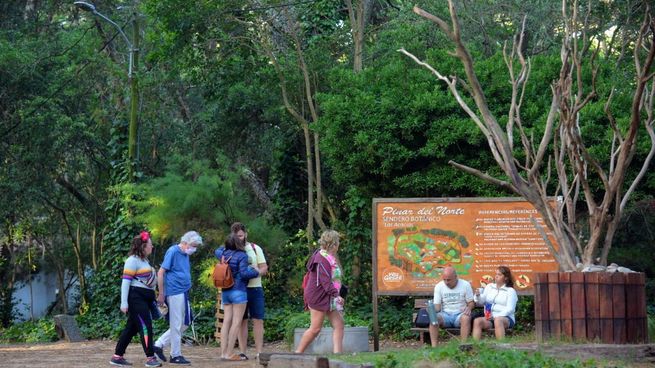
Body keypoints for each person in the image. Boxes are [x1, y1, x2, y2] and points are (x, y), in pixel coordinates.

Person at [110, 231, 162, 367]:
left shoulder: (144, 261)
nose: (152, 247)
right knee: (146, 326)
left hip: (145, 299)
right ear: (143, 247)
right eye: (150, 245)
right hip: (135, 298)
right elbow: (125, 283)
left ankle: (117, 356)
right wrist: (124, 302)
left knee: (131, 328)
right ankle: (151, 358)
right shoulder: (132, 260)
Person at [152, 231, 203, 365]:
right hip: (174, 291)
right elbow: (161, 272)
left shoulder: (185, 253)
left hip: (183, 291)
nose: (194, 248)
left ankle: (159, 344)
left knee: (185, 322)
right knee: (176, 323)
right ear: (185, 242)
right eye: (193, 245)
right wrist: (161, 294)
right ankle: (175, 355)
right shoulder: (173, 251)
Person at [295, 230, 345, 354]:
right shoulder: (321, 259)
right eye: (338, 242)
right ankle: (297, 354)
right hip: (318, 297)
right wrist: (337, 295)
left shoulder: (328, 257)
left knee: (339, 325)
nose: (338, 245)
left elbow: (333, 279)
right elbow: (325, 282)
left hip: (329, 297)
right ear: (333, 245)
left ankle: (338, 355)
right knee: (315, 329)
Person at [215, 234, 261, 361]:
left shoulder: (223, 254)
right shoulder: (242, 256)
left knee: (226, 322)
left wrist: (223, 249)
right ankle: (230, 353)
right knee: (236, 323)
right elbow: (244, 274)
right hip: (239, 291)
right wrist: (256, 271)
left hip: (226, 291)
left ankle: (223, 353)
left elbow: (216, 250)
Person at [231, 222, 268, 360]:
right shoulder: (231, 249)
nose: (239, 238)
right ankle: (243, 352)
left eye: (241, 235)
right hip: (239, 288)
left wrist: (254, 272)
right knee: (242, 320)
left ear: (245, 234)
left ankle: (259, 352)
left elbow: (264, 267)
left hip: (255, 288)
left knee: (258, 319)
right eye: (236, 236)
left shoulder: (255, 248)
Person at [428, 266, 475, 346]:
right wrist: (430, 309)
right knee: (434, 319)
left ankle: (463, 346)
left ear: (456, 277)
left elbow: (471, 303)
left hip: (460, 314)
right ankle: (434, 347)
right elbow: (438, 308)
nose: (446, 282)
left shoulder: (465, 284)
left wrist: (469, 308)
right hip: (445, 315)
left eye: (449, 280)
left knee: (466, 318)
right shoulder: (439, 286)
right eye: (444, 280)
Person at [472, 265, 518, 340]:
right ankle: (475, 347)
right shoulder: (489, 287)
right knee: (477, 321)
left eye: (499, 275)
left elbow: (510, 309)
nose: (496, 276)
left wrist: (495, 317)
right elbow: (481, 301)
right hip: (489, 317)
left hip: (506, 318)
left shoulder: (510, 291)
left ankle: (501, 346)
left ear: (506, 278)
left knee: (498, 320)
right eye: (496, 274)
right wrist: (478, 295)